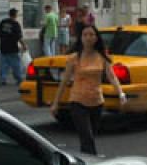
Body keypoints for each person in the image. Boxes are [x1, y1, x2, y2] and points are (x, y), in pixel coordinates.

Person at [51, 23, 126, 155]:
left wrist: (120, 93)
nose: (88, 37)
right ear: (80, 38)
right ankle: (94, 162)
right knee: (86, 136)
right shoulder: (74, 58)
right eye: (85, 34)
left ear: (96, 38)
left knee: (89, 137)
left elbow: (112, 77)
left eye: (91, 34)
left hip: (97, 103)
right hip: (78, 101)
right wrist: (56, 103)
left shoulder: (102, 57)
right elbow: (64, 81)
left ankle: (85, 162)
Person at [0, 8, 25, 85]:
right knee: (16, 65)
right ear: (15, 15)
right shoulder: (16, 24)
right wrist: (24, 45)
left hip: (3, 47)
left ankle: (2, 79)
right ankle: (19, 79)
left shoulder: (3, 22)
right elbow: (19, 37)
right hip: (13, 48)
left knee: (3, 65)